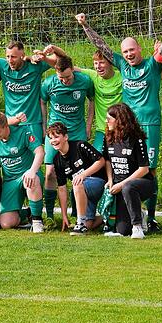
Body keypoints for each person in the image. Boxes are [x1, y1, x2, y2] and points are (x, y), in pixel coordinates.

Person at [76, 10, 162, 233]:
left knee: (150, 170)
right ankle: (130, 214)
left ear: (139, 50)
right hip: (126, 127)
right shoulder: (122, 65)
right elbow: (103, 46)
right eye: (125, 51)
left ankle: (152, 218)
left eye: (132, 50)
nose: (128, 54)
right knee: (124, 169)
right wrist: (85, 25)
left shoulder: (152, 65)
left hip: (149, 125)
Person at [37, 47, 94, 222]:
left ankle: (78, 213)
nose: (65, 81)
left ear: (73, 71)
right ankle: (49, 214)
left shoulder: (85, 81)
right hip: (54, 133)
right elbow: (42, 102)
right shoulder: (49, 84)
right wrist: (45, 126)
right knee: (50, 172)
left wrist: (89, 125)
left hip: (77, 130)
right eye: (61, 78)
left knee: (79, 173)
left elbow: (92, 100)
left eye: (68, 77)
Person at [0, 111, 45, 233]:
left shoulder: (23, 132)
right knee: (6, 223)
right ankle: (27, 213)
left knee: (32, 180)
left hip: (27, 174)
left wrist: (32, 171)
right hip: (10, 180)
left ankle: (37, 221)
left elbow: (40, 152)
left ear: (6, 126)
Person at [103, 104, 154, 239]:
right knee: (123, 230)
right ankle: (139, 213)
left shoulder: (136, 139)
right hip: (119, 186)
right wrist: (110, 180)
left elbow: (144, 169)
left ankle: (137, 226)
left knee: (128, 187)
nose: (106, 121)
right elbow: (107, 160)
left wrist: (121, 185)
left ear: (119, 120)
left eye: (109, 118)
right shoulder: (108, 138)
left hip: (142, 183)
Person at [47, 122, 107, 235]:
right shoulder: (57, 160)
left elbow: (101, 161)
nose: (53, 140)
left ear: (65, 137)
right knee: (89, 225)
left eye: (56, 136)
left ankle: (80, 222)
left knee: (77, 183)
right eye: (50, 138)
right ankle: (107, 216)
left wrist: (83, 174)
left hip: (98, 184)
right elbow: (62, 188)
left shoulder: (80, 145)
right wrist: (64, 215)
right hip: (82, 191)